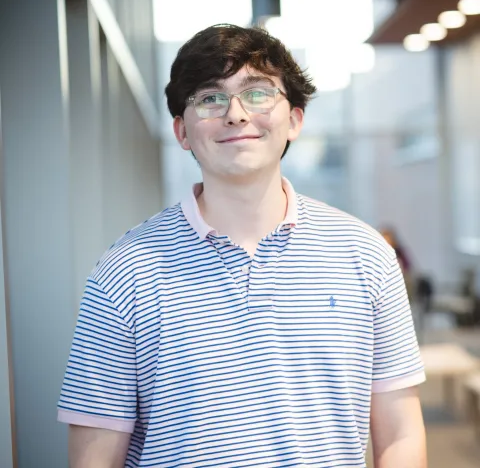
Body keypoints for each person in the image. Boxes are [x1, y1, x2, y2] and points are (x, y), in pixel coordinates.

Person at [58, 24, 427, 468]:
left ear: (294, 119)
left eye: (257, 93)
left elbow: (399, 432)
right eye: (210, 98)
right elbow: (94, 457)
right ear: (181, 131)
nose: (235, 113)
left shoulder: (366, 255)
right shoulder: (125, 271)